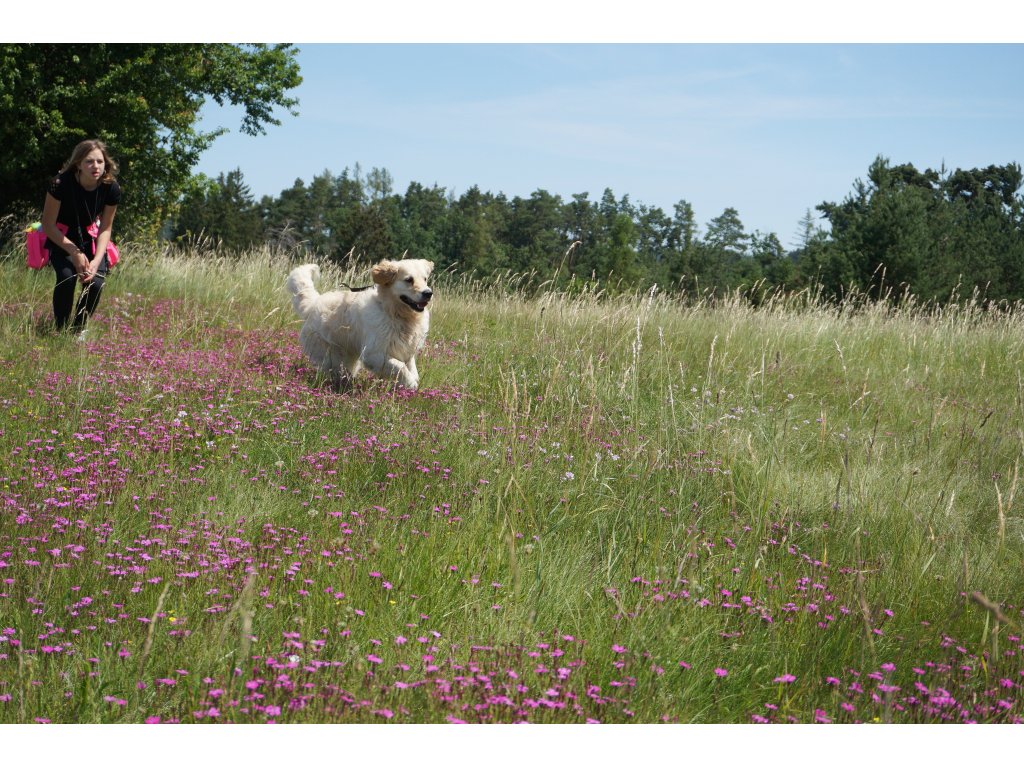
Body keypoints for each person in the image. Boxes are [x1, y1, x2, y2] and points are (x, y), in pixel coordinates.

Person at [41, 139, 122, 334]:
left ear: (106, 164)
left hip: (90, 236)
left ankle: (78, 330)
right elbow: (48, 225)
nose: (95, 166)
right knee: (66, 277)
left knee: (95, 282)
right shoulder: (60, 183)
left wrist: (96, 261)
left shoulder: (111, 188)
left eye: (100, 162)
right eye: (89, 161)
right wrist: (73, 251)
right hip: (61, 234)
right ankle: (60, 330)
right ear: (78, 163)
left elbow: (105, 228)